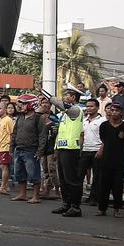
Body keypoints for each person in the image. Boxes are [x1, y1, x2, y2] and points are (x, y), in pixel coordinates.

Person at [50, 88, 84, 217]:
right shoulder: (65, 114)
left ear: (74, 97)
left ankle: (75, 207)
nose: (64, 97)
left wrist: (51, 98)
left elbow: (59, 104)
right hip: (62, 148)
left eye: (67, 95)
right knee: (63, 180)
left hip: (71, 149)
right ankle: (66, 204)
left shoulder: (76, 110)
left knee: (72, 180)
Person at [95, 103, 124, 217]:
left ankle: (117, 209)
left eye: (117, 110)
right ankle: (102, 208)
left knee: (117, 186)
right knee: (103, 185)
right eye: (112, 110)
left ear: (121, 113)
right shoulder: (104, 125)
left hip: (119, 160)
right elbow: (103, 140)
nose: (114, 112)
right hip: (106, 159)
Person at [10, 96, 47, 203]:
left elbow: (43, 136)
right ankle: (22, 194)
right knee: (19, 174)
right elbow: (14, 133)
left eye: (24, 104)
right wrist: (12, 147)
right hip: (18, 149)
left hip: (31, 151)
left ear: (31, 104)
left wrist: (40, 152)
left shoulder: (37, 118)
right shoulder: (20, 117)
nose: (21, 106)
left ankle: (35, 197)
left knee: (34, 174)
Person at [80, 98, 105, 208]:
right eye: (87, 106)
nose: (89, 108)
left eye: (91, 106)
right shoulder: (84, 120)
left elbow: (105, 138)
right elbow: (82, 136)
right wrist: (80, 149)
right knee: (80, 175)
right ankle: (78, 196)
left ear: (97, 108)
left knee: (97, 176)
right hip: (85, 150)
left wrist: (101, 150)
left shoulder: (102, 120)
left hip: (97, 150)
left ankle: (94, 198)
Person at [0, 102, 16, 195]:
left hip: (5, 147)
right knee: (2, 167)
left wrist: (11, 147)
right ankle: (5, 185)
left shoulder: (8, 120)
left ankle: (3, 187)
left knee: (4, 166)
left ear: (5, 109)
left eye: (0, 108)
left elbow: (12, 134)